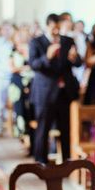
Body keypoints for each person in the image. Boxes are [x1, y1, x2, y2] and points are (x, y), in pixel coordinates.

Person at [29, 13, 82, 165]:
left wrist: (75, 58)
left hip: (64, 92)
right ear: (47, 26)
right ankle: (41, 160)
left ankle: (66, 160)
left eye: (58, 28)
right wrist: (47, 57)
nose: (56, 31)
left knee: (65, 128)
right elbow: (33, 64)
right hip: (45, 92)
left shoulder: (68, 41)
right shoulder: (37, 42)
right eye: (53, 28)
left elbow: (78, 62)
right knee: (43, 127)